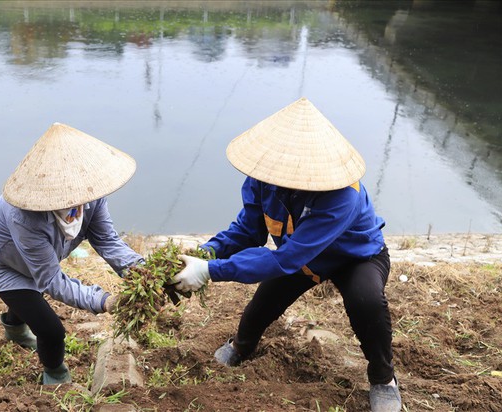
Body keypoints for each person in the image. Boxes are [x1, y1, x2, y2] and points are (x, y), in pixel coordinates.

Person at [172, 98, 401, 412]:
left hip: (355, 257)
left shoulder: (342, 195)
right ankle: (241, 348)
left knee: (366, 301)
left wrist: (210, 271)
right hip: (303, 258)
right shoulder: (263, 179)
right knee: (259, 308)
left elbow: (284, 259)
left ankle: (383, 378)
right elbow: (248, 231)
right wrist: (204, 253)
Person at [0, 122, 144, 385]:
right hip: (4, 263)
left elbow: (106, 239)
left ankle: (14, 326)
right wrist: (104, 301)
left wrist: (138, 269)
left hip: (39, 256)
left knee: (29, 299)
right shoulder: (25, 216)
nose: (77, 201)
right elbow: (51, 280)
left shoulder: (91, 196)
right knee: (51, 330)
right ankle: (55, 375)